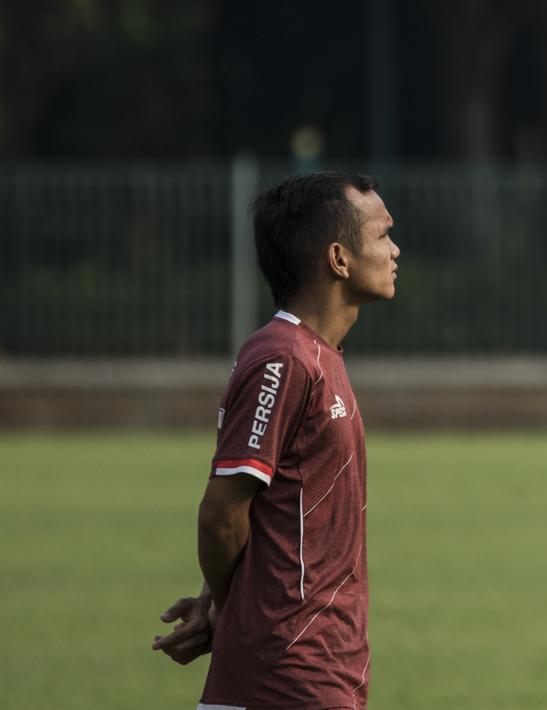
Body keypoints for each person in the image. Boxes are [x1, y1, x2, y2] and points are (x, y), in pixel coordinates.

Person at [151, 171, 399, 709]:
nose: (395, 250)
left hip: (313, 669)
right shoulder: (284, 360)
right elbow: (222, 512)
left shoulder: (314, 355)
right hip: (287, 673)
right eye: (383, 235)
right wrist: (225, 606)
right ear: (339, 259)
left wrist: (219, 602)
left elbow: (262, 509)